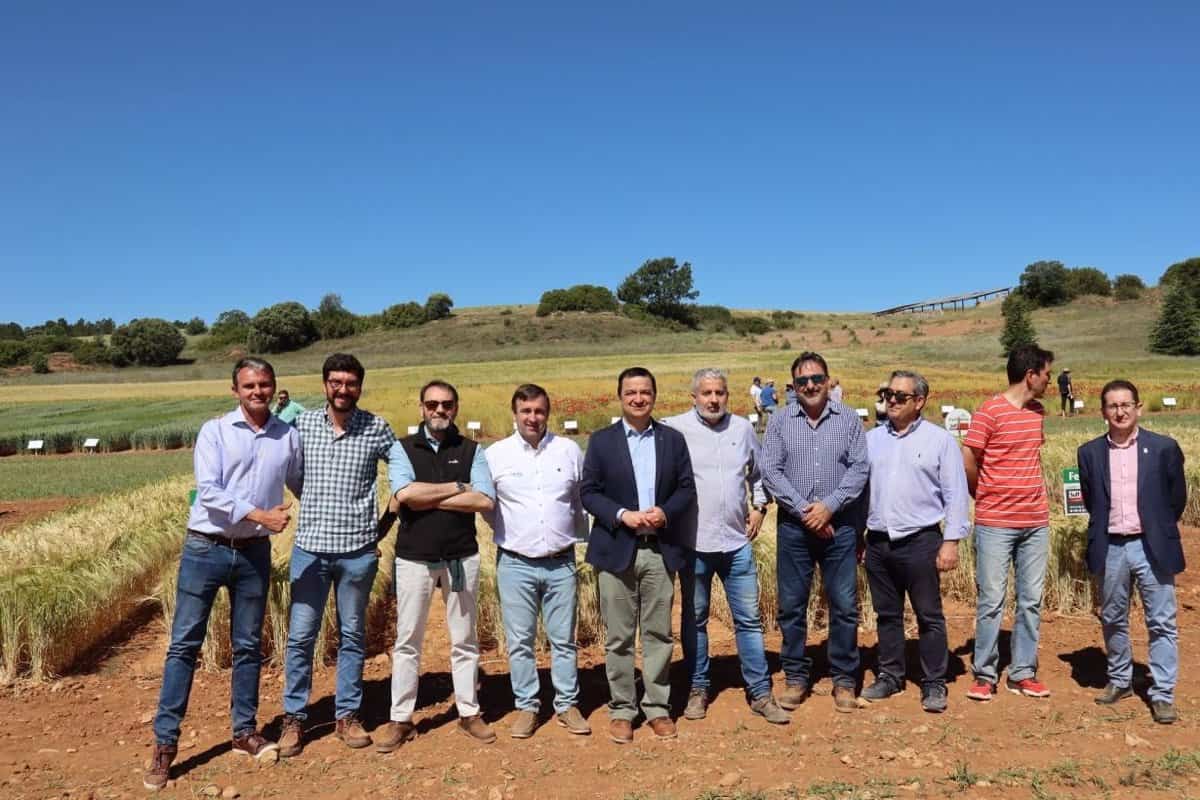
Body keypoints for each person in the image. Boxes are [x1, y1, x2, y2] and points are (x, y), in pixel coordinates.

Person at [144, 358, 303, 791]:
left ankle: (244, 732)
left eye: (264, 384)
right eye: (249, 385)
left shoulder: (288, 436)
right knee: (184, 645)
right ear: (235, 390)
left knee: (248, 646)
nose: (258, 391)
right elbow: (209, 492)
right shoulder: (214, 431)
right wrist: (261, 516)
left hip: (253, 553)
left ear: (274, 387)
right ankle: (165, 745)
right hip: (206, 549)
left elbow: (302, 484)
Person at [279, 353, 397, 757]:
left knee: (352, 635)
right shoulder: (303, 425)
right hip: (310, 551)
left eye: (350, 383)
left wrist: (382, 527)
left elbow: (404, 478)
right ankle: (294, 718)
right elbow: (292, 474)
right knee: (301, 637)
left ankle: (347, 715)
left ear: (360, 386)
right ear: (325, 385)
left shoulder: (377, 428)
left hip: (357, 554)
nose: (343, 389)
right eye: (336, 382)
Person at [375, 380, 498, 749]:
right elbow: (404, 494)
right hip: (414, 558)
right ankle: (401, 718)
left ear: (455, 408)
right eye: (432, 404)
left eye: (446, 404)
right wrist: (458, 487)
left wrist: (424, 495)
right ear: (422, 407)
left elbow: (485, 500)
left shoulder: (472, 449)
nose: (439, 410)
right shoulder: (402, 448)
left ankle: (469, 712)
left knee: (465, 639)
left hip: (461, 557)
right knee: (407, 640)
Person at [664, 369, 789, 724]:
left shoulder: (742, 429)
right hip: (694, 544)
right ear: (693, 397)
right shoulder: (674, 430)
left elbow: (758, 473)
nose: (713, 399)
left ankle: (760, 692)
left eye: (719, 392)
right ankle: (698, 688)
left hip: (736, 543)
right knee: (695, 620)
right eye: (706, 393)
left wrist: (759, 506)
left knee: (748, 620)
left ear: (727, 396)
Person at [581, 367, 696, 744]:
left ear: (654, 396)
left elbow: (686, 488)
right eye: (630, 392)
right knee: (619, 636)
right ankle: (622, 709)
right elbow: (589, 492)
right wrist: (621, 515)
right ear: (620, 397)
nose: (638, 398)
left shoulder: (672, 440)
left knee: (659, 633)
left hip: (659, 550)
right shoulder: (601, 441)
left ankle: (658, 707)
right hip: (616, 549)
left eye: (645, 391)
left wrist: (665, 512)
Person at [482, 384, 591, 739]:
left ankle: (567, 704)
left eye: (539, 411)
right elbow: (488, 507)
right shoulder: (495, 455)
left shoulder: (568, 450)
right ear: (515, 414)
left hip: (561, 563)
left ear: (548, 413)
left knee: (564, 639)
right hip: (515, 563)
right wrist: (516, 534)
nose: (533, 417)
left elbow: (579, 500)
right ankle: (527, 706)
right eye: (526, 411)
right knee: (520, 641)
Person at [762, 352, 868, 713]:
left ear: (828, 380)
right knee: (792, 605)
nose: (810, 386)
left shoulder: (849, 418)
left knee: (844, 605)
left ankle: (844, 678)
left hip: (840, 526)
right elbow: (770, 471)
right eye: (802, 381)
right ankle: (795, 676)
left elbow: (859, 469)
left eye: (817, 379)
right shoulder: (779, 421)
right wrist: (806, 511)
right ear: (793, 386)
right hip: (795, 527)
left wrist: (829, 507)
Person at [1078, 380, 1187, 724]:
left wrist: (1156, 527)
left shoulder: (1164, 448)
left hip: (1151, 546)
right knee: (1113, 618)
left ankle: (1163, 693)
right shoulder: (1089, 453)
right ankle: (1120, 679)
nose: (1120, 412)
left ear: (1138, 408)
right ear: (1103, 411)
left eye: (1126, 405)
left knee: (1161, 621)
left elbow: (1176, 499)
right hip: (1111, 546)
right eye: (1113, 406)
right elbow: (1092, 500)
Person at [861, 370, 969, 714]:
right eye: (888, 394)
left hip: (921, 541)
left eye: (900, 396)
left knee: (929, 615)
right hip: (878, 542)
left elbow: (956, 494)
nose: (891, 401)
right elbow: (860, 493)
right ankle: (890, 675)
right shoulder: (871, 440)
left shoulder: (940, 441)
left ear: (919, 401)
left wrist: (951, 541)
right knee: (886, 615)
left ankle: (934, 681)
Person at [962, 343, 1054, 701]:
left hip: (1035, 522)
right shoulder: (989, 412)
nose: (1048, 380)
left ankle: (1022, 672)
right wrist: (981, 493)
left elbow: (1030, 457)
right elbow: (969, 458)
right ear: (1030, 375)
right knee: (992, 600)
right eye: (1046, 374)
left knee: (1031, 600)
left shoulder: (1037, 412)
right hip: (996, 522)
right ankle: (985, 674)